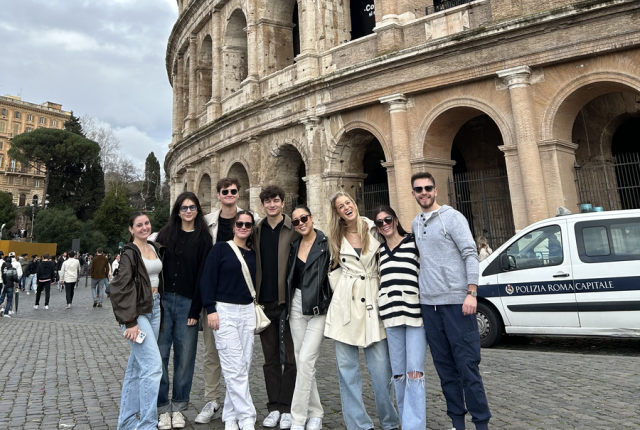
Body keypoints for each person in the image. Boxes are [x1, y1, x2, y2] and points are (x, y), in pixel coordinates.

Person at [411, 172, 491, 430]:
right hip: (430, 307)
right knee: (445, 371)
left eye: (428, 188)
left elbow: (470, 253)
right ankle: (458, 424)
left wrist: (471, 292)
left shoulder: (453, 217)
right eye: (418, 189)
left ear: (435, 191)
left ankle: (481, 424)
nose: (423, 192)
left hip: (458, 303)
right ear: (413, 194)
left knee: (468, 368)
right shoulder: (415, 223)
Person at [324, 191, 399, 430]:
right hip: (345, 304)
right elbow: (331, 269)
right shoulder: (334, 237)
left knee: (381, 371)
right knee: (347, 372)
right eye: (340, 206)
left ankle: (389, 421)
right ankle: (359, 425)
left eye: (348, 202)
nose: (346, 207)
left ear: (354, 205)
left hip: (373, 303)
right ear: (336, 213)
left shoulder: (374, 227)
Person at [155, 192, 213, 430]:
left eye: (192, 207)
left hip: (189, 303)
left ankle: (178, 407)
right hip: (164, 302)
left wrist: (196, 309)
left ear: (198, 210)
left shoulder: (203, 238)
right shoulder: (165, 234)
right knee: (160, 356)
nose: (188, 211)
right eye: (184, 207)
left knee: (185, 358)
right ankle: (160, 408)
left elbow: (203, 275)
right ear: (177, 211)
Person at [194, 177, 248, 425]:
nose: (229, 194)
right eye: (225, 191)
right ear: (218, 195)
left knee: (240, 355)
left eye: (233, 191)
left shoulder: (249, 219)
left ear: (239, 193)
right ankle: (212, 399)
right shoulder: (207, 223)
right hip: (214, 299)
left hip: (240, 299)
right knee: (212, 352)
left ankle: (234, 402)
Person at [201, 210, 258, 430]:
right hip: (224, 311)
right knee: (233, 366)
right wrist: (210, 309)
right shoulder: (220, 249)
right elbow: (207, 279)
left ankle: (230, 416)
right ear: (233, 227)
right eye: (240, 224)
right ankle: (247, 416)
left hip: (247, 311)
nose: (244, 227)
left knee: (243, 365)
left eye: (248, 224)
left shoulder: (253, 254)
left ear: (252, 228)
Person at [110, 212, 164, 430]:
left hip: (155, 308)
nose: (144, 227)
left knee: (136, 368)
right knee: (153, 366)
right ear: (131, 229)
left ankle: (127, 422)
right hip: (137, 313)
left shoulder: (154, 247)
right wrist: (130, 322)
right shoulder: (129, 254)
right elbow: (118, 288)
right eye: (139, 225)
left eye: (147, 223)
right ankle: (147, 425)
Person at [374, 205, 425, 430]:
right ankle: (406, 422)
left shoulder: (414, 243)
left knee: (414, 372)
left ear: (395, 219)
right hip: (391, 318)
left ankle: (415, 426)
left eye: (387, 219)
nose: (384, 224)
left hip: (415, 317)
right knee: (398, 375)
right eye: (379, 222)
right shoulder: (379, 252)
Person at [252, 185, 298, 429]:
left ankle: (288, 406)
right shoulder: (256, 230)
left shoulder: (293, 228)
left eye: (276, 200)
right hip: (264, 301)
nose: (272, 205)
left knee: (291, 356)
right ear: (262, 205)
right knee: (270, 357)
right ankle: (273, 406)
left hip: (288, 300)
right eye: (267, 201)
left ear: (283, 203)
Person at [284, 205, 331, 430]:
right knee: (301, 360)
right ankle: (316, 413)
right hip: (296, 305)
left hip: (319, 307)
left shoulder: (326, 244)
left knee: (305, 361)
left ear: (312, 218)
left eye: (304, 218)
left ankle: (298, 418)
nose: (300, 223)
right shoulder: (294, 245)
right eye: (295, 221)